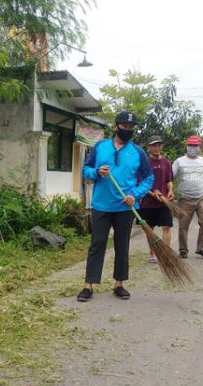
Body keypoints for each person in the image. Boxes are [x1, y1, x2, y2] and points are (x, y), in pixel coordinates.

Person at [78, 111, 154, 302]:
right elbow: (86, 170)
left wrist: (134, 194)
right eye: (123, 126)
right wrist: (96, 171)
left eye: (130, 127)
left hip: (125, 207)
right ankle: (89, 285)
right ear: (115, 126)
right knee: (97, 244)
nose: (127, 129)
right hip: (101, 206)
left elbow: (148, 178)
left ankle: (119, 284)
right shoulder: (100, 147)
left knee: (122, 245)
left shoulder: (138, 152)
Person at [172, 135, 203, 259]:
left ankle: (202, 249)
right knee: (183, 226)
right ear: (187, 146)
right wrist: (169, 191)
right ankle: (183, 250)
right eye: (190, 145)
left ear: (199, 147)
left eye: (195, 145)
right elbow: (170, 177)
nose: (192, 148)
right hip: (185, 199)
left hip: (202, 197)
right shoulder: (179, 161)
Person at [138, 135, 174, 263]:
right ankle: (152, 254)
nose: (157, 147)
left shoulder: (166, 162)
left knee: (167, 227)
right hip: (148, 202)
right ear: (148, 147)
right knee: (150, 229)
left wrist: (170, 191)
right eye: (154, 145)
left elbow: (169, 180)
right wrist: (152, 193)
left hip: (164, 202)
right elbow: (141, 183)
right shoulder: (144, 163)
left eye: (159, 145)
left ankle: (166, 253)